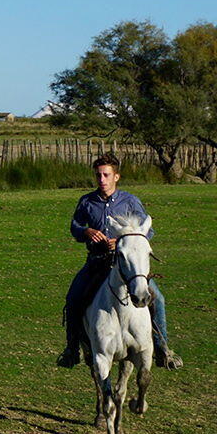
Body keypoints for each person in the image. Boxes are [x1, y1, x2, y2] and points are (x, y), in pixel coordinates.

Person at [59, 154, 181, 369]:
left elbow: (147, 230)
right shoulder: (87, 201)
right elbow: (74, 227)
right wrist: (86, 231)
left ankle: (163, 350)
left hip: (127, 267)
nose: (102, 179)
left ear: (116, 176)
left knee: (158, 299)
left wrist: (124, 241)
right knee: (73, 298)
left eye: (106, 175)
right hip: (97, 262)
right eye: (98, 175)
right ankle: (72, 349)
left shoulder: (131, 201)